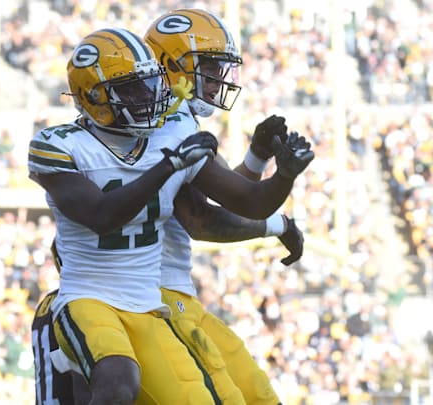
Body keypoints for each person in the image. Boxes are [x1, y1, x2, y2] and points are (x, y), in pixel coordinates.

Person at [27, 27, 314, 405]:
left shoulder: (171, 132)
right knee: (116, 384)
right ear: (95, 96)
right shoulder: (63, 146)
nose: (148, 96)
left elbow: (245, 199)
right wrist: (170, 166)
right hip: (94, 299)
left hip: (152, 303)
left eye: (149, 84)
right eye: (133, 88)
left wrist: (283, 175)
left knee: (241, 397)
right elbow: (173, 218)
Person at [145, 8, 297, 404]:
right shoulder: (169, 123)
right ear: (171, 64)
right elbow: (201, 219)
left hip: (171, 291)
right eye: (209, 67)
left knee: (258, 394)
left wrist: (257, 158)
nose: (217, 80)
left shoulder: (169, 119)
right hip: (155, 293)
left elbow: (220, 195)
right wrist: (277, 225)